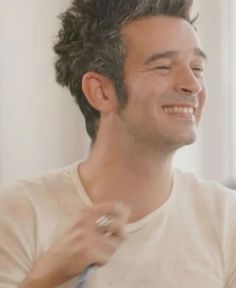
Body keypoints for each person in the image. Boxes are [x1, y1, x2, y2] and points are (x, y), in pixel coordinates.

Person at [0, 0, 236, 287]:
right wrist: (49, 277)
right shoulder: (18, 213)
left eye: (197, 68)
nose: (192, 84)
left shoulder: (227, 221)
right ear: (101, 92)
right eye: (163, 66)